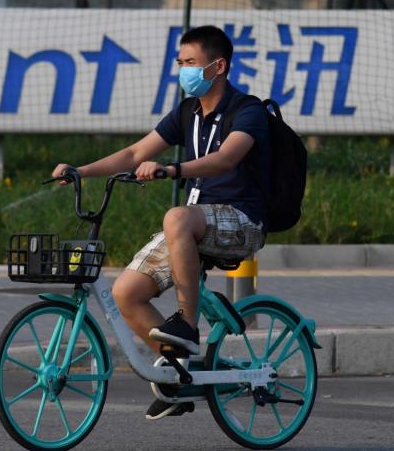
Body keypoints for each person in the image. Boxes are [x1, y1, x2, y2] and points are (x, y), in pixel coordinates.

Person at [51, 25, 270, 420]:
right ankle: (181, 376)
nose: (183, 70)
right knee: (126, 293)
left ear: (218, 66)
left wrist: (173, 169)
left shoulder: (247, 110)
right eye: (180, 63)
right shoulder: (187, 112)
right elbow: (136, 152)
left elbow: (226, 158)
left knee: (176, 216)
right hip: (194, 221)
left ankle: (187, 323)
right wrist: (79, 170)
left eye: (191, 63)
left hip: (241, 220)